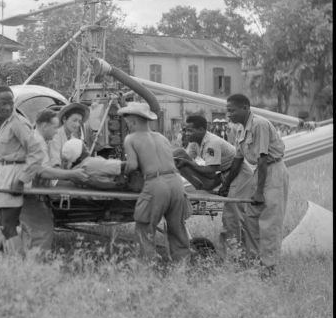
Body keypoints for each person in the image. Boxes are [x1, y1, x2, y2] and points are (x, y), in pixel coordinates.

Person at [219, 94, 289, 279]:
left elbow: (263, 158)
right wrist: (225, 185)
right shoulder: (240, 130)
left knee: (269, 222)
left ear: (245, 108)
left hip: (273, 171)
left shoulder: (259, 124)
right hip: (260, 172)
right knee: (251, 219)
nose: (229, 114)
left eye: (232, 110)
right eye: (227, 110)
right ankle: (254, 262)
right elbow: (237, 160)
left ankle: (269, 269)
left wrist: (259, 191)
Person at [173, 115, 254, 261]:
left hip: (238, 174)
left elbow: (210, 171)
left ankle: (234, 256)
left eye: (190, 131)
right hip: (223, 174)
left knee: (232, 215)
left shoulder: (212, 143)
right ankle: (235, 253)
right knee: (178, 154)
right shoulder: (194, 143)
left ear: (202, 129)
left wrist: (189, 165)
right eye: (185, 130)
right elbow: (185, 158)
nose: (187, 133)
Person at [120, 101, 191, 266]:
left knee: (144, 227)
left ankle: (147, 267)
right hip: (176, 182)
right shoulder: (162, 137)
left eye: (128, 123)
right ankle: (182, 267)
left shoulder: (131, 138)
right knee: (177, 228)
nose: (128, 126)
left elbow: (131, 165)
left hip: (156, 183)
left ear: (133, 121)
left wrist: (124, 175)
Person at [17, 109, 89, 255]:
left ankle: (12, 261)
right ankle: (36, 266)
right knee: (43, 229)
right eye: (55, 128)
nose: (57, 132)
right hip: (26, 193)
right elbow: (43, 171)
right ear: (44, 126)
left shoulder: (39, 140)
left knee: (7, 229)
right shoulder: (37, 142)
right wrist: (71, 174)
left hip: (24, 191)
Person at [0, 86, 44, 256]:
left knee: (8, 224)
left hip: (14, 175)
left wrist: (21, 179)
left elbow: (37, 152)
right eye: (3, 103)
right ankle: (12, 261)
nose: (7, 107)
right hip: (2, 175)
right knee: (4, 225)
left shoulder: (17, 123)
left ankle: (18, 264)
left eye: (10, 103)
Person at [61, 138, 129, 190]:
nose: (86, 146)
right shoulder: (90, 163)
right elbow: (122, 166)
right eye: (83, 145)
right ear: (79, 152)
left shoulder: (75, 171)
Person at [48, 102, 90, 168]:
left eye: (79, 121)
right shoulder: (56, 136)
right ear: (64, 119)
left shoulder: (73, 138)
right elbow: (55, 163)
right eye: (74, 120)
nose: (77, 125)